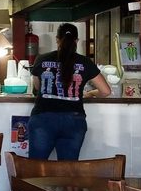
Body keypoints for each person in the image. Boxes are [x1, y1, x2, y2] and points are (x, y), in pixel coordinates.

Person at [28, 23, 111, 160]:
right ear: (76, 41)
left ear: (57, 39)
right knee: (68, 168)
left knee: (35, 167)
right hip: (74, 121)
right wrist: (90, 93)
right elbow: (106, 91)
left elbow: (37, 86)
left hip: (43, 118)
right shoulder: (85, 62)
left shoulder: (41, 59)